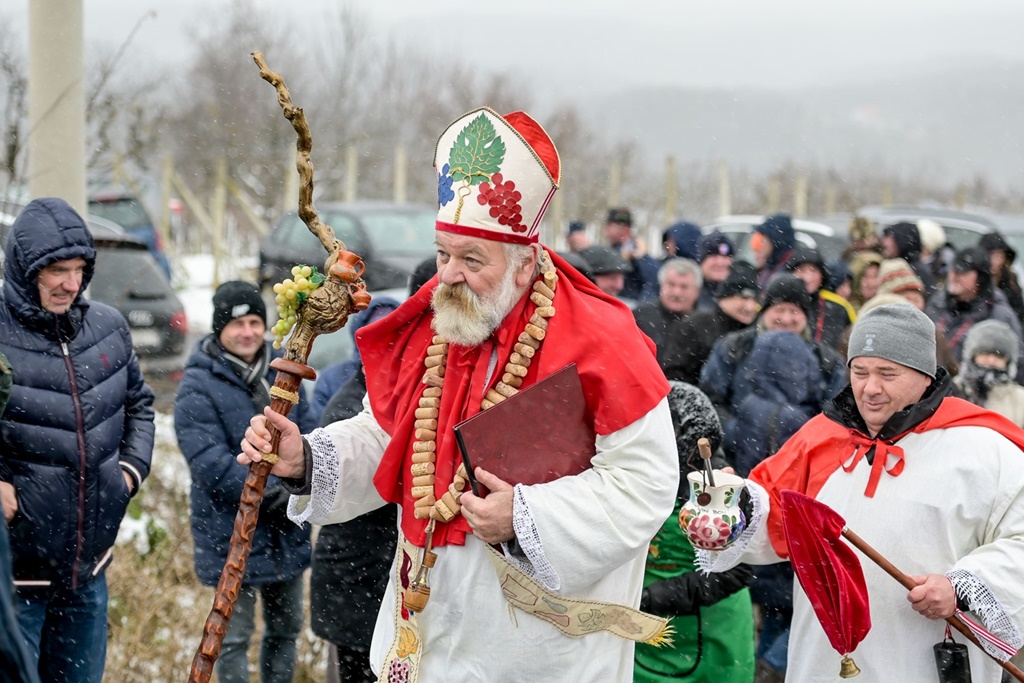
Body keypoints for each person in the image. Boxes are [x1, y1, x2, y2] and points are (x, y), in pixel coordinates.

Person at [239, 106, 679, 682]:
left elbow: (644, 484)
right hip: (421, 632)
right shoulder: (439, 317)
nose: (448, 275)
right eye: (444, 254)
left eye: (473, 260)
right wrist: (308, 460)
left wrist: (525, 518)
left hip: (535, 655)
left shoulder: (603, 339)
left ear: (526, 265)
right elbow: (391, 433)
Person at [700, 303, 1024, 682]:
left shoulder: (984, 449)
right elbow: (768, 523)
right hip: (824, 662)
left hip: (923, 660)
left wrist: (962, 588)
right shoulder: (820, 439)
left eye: (888, 373)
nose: (870, 388)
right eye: (860, 372)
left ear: (924, 375)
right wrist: (724, 509)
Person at [0, 197, 155, 683]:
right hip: (14, 582)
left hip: (86, 575)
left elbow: (140, 407)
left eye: (79, 269)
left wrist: (127, 474)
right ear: (26, 271)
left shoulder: (108, 327)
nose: (71, 283)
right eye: (57, 271)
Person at [174, 280, 317, 683]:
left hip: (285, 535)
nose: (248, 332)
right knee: (231, 639)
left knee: (285, 630)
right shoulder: (198, 384)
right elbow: (209, 462)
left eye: (255, 321)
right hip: (230, 536)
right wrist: (273, 491)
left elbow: (307, 434)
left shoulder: (284, 375)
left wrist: (290, 488)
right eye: (237, 324)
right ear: (219, 330)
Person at [634, 381, 755, 683]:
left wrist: (649, 598)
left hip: (713, 638)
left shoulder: (727, 491)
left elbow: (736, 572)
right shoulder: (632, 477)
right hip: (642, 639)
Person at [699, 273, 847, 428]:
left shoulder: (826, 360)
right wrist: (736, 433)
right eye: (779, 309)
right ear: (764, 312)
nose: (786, 319)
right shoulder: (734, 346)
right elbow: (711, 400)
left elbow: (834, 416)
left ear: (805, 316)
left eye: (794, 311)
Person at [926, 246, 1024, 381]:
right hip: (934, 386)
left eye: (962, 272)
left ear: (980, 278)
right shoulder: (937, 304)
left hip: (976, 394)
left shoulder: (999, 314)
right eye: (952, 270)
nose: (954, 276)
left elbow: (1017, 361)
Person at [662, 261, 760, 386]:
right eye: (743, 298)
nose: (750, 307)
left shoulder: (759, 332)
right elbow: (675, 376)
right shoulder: (695, 326)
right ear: (724, 298)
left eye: (755, 300)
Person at [310, 296, 401, 420]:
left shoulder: (414, 376)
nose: (385, 342)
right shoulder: (333, 380)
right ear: (362, 338)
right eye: (376, 333)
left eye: (393, 331)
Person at [953, 319, 1024, 427]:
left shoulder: (1019, 398)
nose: (991, 361)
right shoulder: (952, 389)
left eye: (999, 355)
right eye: (985, 353)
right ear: (972, 356)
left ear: (1008, 361)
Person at [784, 245, 853, 350]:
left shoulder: (839, 307)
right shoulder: (779, 303)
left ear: (822, 275)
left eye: (813, 271)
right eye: (801, 270)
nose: (807, 278)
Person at [632, 257, 701, 355]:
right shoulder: (639, 317)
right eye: (671, 285)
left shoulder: (706, 323)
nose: (676, 292)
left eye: (684, 287)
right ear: (661, 286)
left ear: (697, 291)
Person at [603, 207, 660, 302]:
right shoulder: (609, 250)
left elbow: (654, 279)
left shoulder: (636, 248)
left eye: (625, 226)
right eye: (616, 225)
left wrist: (642, 256)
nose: (621, 230)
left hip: (630, 303)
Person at [880, 221, 937, 296]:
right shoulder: (886, 264)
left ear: (902, 240)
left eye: (890, 238)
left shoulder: (918, 271)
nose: (885, 243)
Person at [978, 232, 1024, 324]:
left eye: (999, 255)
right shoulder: (975, 280)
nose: (994, 260)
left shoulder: (1010, 280)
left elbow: (1019, 314)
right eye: (990, 255)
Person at [751, 214, 797, 289]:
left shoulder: (793, 269)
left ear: (775, 240)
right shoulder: (771, 265)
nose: (754, 255)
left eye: (762, 240)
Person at [695, 232, 736, 312]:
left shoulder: (738, 292)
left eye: (725, 257)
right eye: (714, 256)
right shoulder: (690, 291)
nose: (720, 263)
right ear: (701, 261)